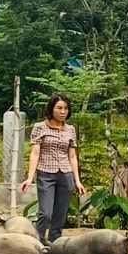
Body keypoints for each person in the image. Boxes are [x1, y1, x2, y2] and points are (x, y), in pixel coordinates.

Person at [20, 93, 86, 244]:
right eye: (59, 108)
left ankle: (54, 246)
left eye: (66, 109)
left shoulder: (70, 130)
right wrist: (30, 178)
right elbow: (35, 153)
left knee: (60, 215)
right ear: (51, 109)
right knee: (46, 213)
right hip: (45, 174)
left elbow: (72, 156)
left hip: (66, 174)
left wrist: (77, 181)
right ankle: (37, 242)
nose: (63, 112)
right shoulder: (39, 127)